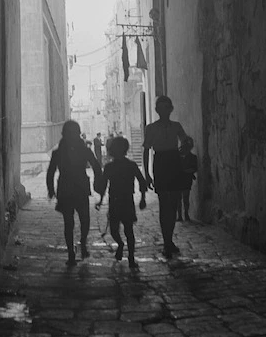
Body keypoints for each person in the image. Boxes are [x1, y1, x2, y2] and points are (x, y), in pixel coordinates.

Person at [47, 120, 103, 265]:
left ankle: (78, 246)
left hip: (70, 188)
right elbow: (96, 167)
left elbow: (51, 172)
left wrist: (51, 190)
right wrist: (98, 186)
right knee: (76, 221)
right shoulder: (74, 151)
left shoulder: (62, 152)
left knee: (76, 221)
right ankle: (74, 249)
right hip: (76, 188)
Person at [142, 95, 188, 258]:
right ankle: (167, 241)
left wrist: (184, 149)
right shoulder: (151, 128)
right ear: (156, 110)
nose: (163, 111)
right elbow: (146, 149)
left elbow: (186, 141)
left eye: (166, 108)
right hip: (161, 162)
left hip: (174, 161)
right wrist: (146, 173)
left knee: (174, 204)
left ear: (170, 109)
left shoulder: (176, 126)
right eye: (160, 108)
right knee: (164, 203)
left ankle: (169, 240)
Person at [94, 135, 148, 269]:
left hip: (122, 200)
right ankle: (121, 245)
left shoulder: (118, 166)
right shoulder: (121, 166)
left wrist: (142, 198)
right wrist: (142, 198)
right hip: (120, 201)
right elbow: (141, 182)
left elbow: (141, 181)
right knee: (116, 230)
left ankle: (130, 257)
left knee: (126, 230)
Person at [176, 136, 198, 221]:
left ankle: (186, 214)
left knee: (186, 198)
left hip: (186, 179)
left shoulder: (193, 157)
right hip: (178, 179)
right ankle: (179, 215)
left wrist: (186, 171)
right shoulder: (177, 156)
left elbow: (195, 168)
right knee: (178, 198)